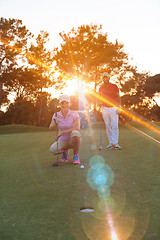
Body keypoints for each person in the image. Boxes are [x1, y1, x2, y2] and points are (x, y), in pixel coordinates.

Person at [49, 94, 81, 164]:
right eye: (62, 103)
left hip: (72, 140)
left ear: (69, 103)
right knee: (53, 150)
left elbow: (77, 128)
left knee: (75, 133)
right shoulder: (56, 115)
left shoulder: (74, 114)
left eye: (66, 103)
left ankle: (75, 156)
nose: (64, 105)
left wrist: (63, 132)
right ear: (60, 104)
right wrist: (54, 122)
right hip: (62, 140)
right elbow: (50, 127)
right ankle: (65, 152)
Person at [99, 72, 121, 150]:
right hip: (104, 108)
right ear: (102, 79)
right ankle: (111, 143)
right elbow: (100, 97)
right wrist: (100, 104)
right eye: (104, 78)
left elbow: (118, 97)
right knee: (108, 127)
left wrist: (119, 107)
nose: (105, 79)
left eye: (106, 77)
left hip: (113, 108)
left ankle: (115, 143)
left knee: (115, 126)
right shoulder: (101, 87)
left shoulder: (114, 86)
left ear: (109, 78)